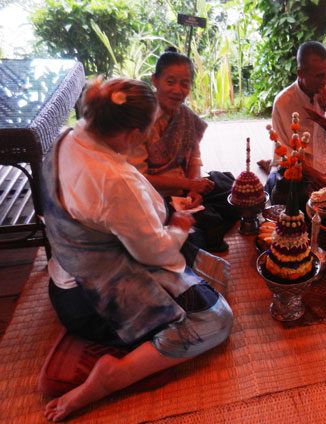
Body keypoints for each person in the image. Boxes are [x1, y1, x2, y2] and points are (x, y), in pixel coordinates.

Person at [40, 77, 234, 422]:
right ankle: (114, 376)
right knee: (216, 321)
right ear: (132, 134)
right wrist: (178, 226)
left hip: (68, 275)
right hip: (93, 300)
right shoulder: (114, 180)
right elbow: (153, 254)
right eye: (145, 133)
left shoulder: (67, 139)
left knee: (202, 249)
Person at [128, 47, 237, 256]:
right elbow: (138, 177)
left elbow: (194, 159)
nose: (178, 90)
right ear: (155, 80)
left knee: (236, 193)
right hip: (155, 197)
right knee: (203, 232)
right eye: (170, 82)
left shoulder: (186, 116)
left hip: (185, 189)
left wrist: (195, 190)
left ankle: (203, 225)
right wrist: (188, 184)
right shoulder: (140, 120)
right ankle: (203, 230)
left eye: (184, 83)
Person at [264, 41, 326, 198]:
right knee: (283, 195)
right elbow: (284, 151)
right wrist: (314, 176)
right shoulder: (283, 102)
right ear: (300, 73)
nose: (325, 81)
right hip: (302, 168)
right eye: (319, 75)